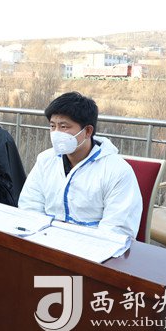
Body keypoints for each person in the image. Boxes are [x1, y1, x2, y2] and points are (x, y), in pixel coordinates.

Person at [18, 91, 142, 238]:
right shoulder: (45, 160)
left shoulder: (117, 170)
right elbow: (29, 205)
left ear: (88, 131)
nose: (56, 133)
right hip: (45, 240)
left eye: (64, 127)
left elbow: (118, 229)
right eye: (52, 126)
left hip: (91, 246)